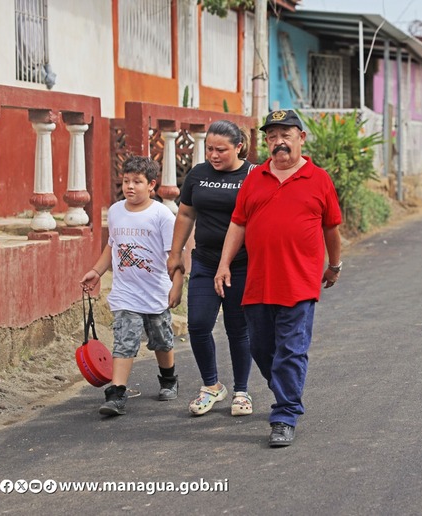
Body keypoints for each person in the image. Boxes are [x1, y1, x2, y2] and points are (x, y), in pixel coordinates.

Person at [214, 109, 342, 447]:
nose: (278, 142)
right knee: (260, 346)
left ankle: (284, 414)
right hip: (259, 280)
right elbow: (238, 223)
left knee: (291, 350)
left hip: (300, 281)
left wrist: (335, 265)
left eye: (286, 134)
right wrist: (224, 263)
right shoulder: (255, 178)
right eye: (272, 136)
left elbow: (331, 227)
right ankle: (288, 389)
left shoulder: (319, 179)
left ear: (301, 137)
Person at [80, 156, 184, 416]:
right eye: (126, 181)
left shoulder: (162, 215)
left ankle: (169, 378)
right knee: (125, 341)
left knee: (161, 340)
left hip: (156, 291)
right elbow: (111, 246)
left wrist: (177, 284)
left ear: (151, 185)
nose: (130, 187)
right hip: (126, 293)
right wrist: (96, 271)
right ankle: (117, 393)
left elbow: (174, 255)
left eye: (137, 182)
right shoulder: (115, 211)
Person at [166, 121, 255, 417]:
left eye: (221, 150)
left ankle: (241, 391)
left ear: (238, 147)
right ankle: (212, 386)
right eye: (209, 149)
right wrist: (175, 254)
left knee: (237, 328)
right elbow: (186, 212)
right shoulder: (198, 174)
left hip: (242, 265)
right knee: (199, 325)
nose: (214, 155)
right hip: (205, 261)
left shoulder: (253, 175)